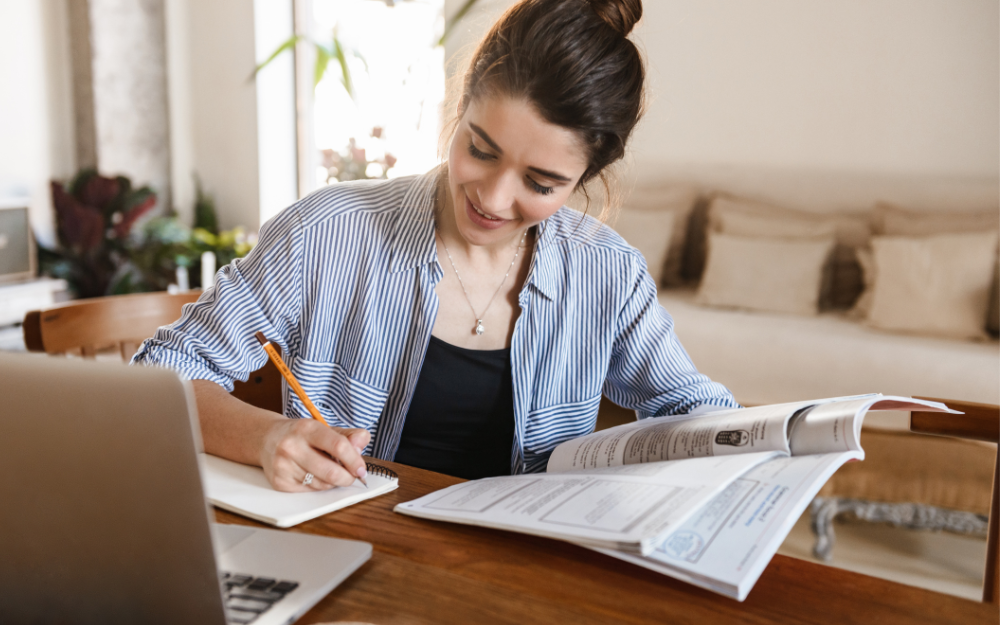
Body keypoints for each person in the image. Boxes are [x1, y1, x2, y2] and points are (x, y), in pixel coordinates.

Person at [133, 0, 738, 491]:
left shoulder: (608, 273)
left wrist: (765, 442)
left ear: (586, 179)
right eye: (480, 149)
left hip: (522, 573)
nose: (494, 200)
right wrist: (268, 437)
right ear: (461, 103)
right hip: (356, 548)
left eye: (540, 183)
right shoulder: (326, 233)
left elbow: (691, 410)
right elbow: (158, 380)